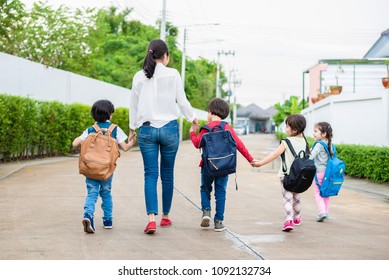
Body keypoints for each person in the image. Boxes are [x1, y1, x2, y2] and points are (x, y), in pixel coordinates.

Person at [130, 39, 198, 234]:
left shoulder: (138, 77)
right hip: (169, 129)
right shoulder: (174, 74)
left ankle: (151, 219)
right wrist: (192, 118)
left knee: (150, 174)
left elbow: (133, 106)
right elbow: (182, 100)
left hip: (147, 130)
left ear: (150, 55)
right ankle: (165, 217)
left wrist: (132, 129)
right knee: (167, 175)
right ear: (165, 56)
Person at [189, 98, 255, 232]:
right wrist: (251, 159)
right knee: (221, 192)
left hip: (207, 166)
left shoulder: (206, 129)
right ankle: (218, 222)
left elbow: (197, 143)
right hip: (224, 166)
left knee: (205, 189)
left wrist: (192, 131)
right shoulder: (227, 128)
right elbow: (239, 145)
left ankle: (206, 212)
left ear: (210, 112)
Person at [72, 99, 135, 234]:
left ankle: (88, 215)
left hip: (90, 168)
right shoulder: (114, 129)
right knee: (106, 193)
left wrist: (84, 139)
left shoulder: (90, 129)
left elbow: (75, 143)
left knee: (91, 193)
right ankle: (107, 220)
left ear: (93, 115)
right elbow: (125, 148)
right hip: (106, 169)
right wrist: (132, 141)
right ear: (110, 115)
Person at [251, 114, 308, 232]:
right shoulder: (305, 141)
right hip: (300, 176)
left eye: (287, 126)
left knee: (287, 198)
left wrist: (261, 163)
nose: (285, 128)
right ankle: (297, 218)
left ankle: (288, 221)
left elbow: (275, 155)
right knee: (297, 197)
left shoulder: (286, 142)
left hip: (286, 175)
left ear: (295, 129)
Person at [309, 121, 333, 222]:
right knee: (326, 194)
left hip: (319, 173)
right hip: (328, 173)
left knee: (318, 193)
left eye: (315, 131)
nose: (313, 133)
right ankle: (326, 213)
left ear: (323, 134)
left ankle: (322, 212)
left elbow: (311, 157)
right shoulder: (330, 144)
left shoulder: (319, 144)